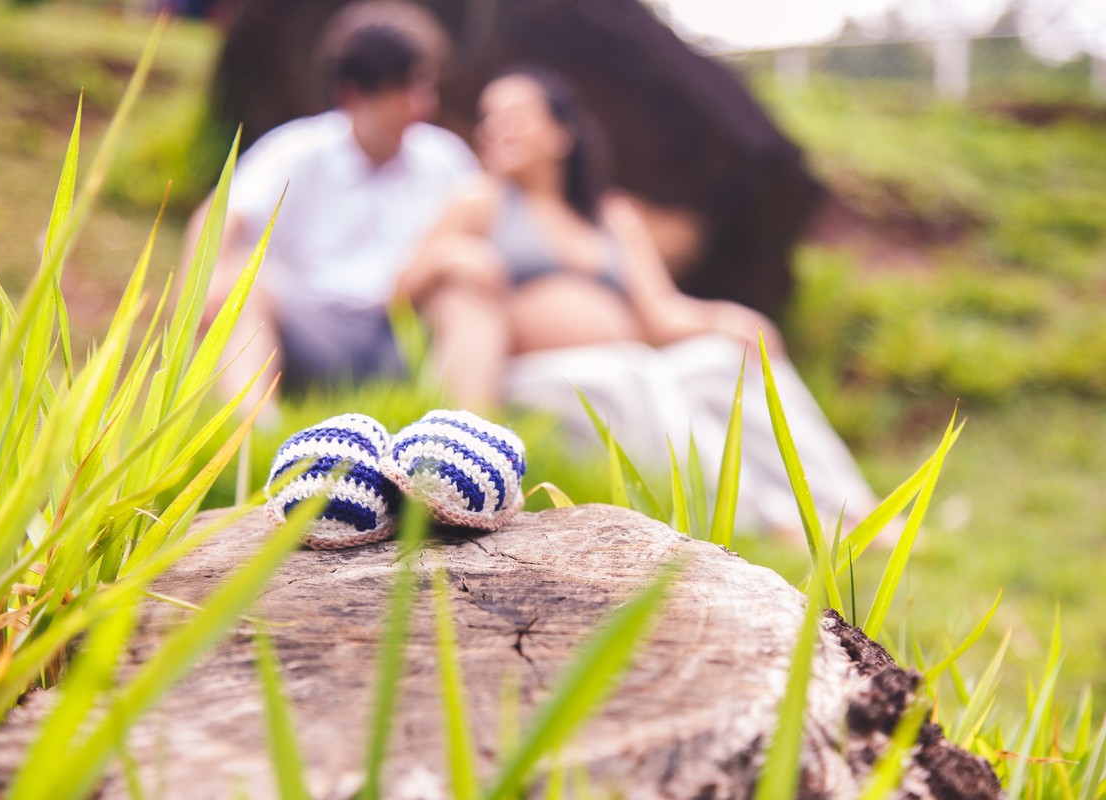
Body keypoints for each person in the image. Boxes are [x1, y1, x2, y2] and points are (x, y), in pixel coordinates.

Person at [395, 66, 877, 536]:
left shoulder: (611, 216)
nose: (496, 128)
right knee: (632, 372)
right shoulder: (481, 200)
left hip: (631, 365)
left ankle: (852, 508)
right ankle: (767, 521)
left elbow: (661, 313)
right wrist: (449, 256)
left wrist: (727, 318)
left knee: (730, 359)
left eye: (515, 115)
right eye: (489, 117)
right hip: (534, 376)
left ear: (562, 133)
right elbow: (398, 289)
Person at [186, 1, 478, 414]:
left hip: (402, 330)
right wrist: (204, 287)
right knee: (241, 282)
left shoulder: (444, 158)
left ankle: (461, 447)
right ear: (355, 93)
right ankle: (249, 437)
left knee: (468, 291)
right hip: (307, 327)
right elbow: (216, 219)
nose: (423, 105)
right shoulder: (298, 149)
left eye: (425, 88)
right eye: (407, 90)